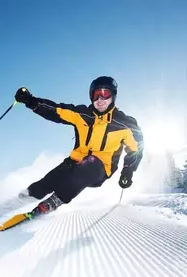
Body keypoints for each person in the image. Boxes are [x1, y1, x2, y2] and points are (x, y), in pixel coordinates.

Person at [14, 76, 144, 214]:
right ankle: (21, 200)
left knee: (90, 164)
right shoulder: (82, 114)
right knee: (51, 179)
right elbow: (56, 110)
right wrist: (31, 101)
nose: (100, 100)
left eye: (105, 94)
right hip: (75, 162)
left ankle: (53, 202)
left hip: (100, 168)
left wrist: (128, 169)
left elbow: (137, 148)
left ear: (113, 96)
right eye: (96, 95)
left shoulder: (125, 124)